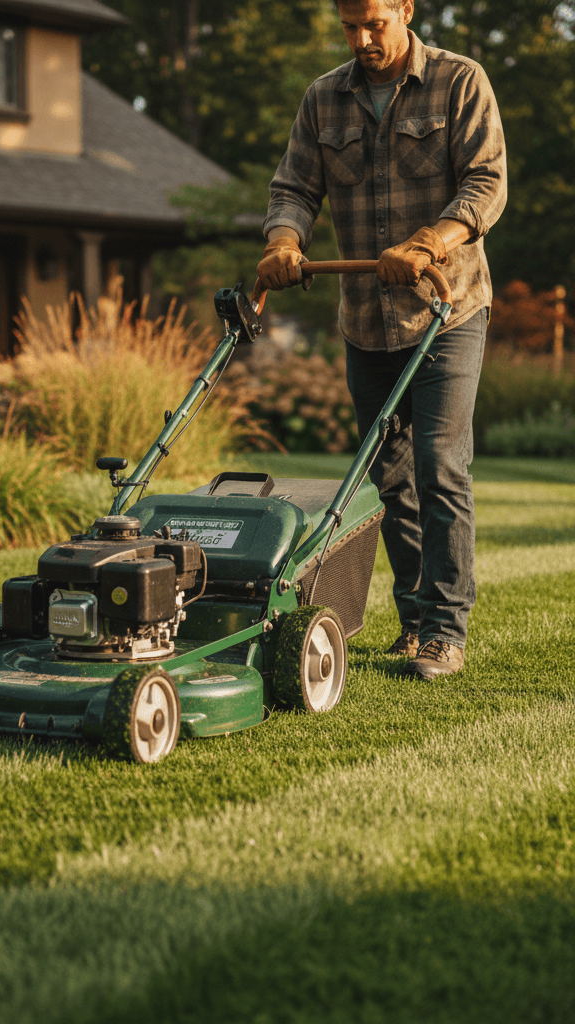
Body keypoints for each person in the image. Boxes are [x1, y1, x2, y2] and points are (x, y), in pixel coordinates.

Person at [258, 0, 506, 679]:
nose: (362, 38)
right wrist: (283, 240)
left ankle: (445, 631)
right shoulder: (323, 99)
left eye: (375, 23)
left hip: (446, 309)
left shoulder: (459, 81)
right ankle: (413, 621)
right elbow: (294, 187)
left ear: (406, 9)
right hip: (366, 319)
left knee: (439, 465)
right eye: (349, 26)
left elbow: (486, 183)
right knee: (390, 476)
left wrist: (428, 242)